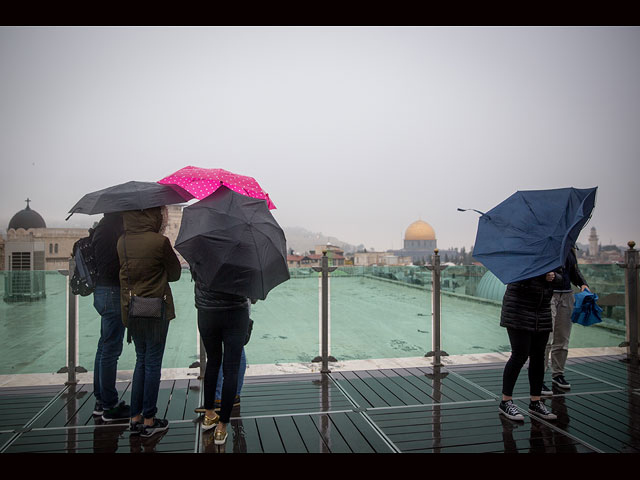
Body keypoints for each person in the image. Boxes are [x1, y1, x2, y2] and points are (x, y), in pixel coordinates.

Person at [117, 206, 181, 438]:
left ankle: (135, 417)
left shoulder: (122, 242)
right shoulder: (159, 242)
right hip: (155, 310)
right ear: (153, 216)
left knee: (141, 360)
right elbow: (175, 274)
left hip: (132, 310)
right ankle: (149, 419)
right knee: (153, 362)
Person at [191, 268, 251, 446]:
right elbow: (251, 287)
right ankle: (222, 428)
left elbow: (196, 276)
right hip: (235, 312)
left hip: (207, 312)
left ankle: (209, 416)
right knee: (231, 369)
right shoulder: (243, 249)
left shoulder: (200, 246)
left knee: (213, 361)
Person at [498, 270, 563, 421]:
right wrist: (541, 276)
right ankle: (506, 401)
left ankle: (535, 401)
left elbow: (561, 279)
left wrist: (554, 277)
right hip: (518, 310)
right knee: (519, 355)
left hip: (542, 311)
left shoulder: (549, 256)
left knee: (539, 356)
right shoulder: (520, 255)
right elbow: (513, 277)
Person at [91, 212, 130, 422]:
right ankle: (109, 405)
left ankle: (100, 400)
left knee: (103, 346)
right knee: (111, 350)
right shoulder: (113, 231)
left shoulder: (101, 228)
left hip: (102, 291)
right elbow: (116, 266)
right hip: (113, 292)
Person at [542, 247, 589, 394]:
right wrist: (544, 276)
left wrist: (582, 283)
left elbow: (574, 270)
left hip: (567, 295)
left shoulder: (569, 245)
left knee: (562, 337)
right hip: (549, 294)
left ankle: (558, 374)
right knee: (546, 339)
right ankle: (539, 378)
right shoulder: (545, 245)